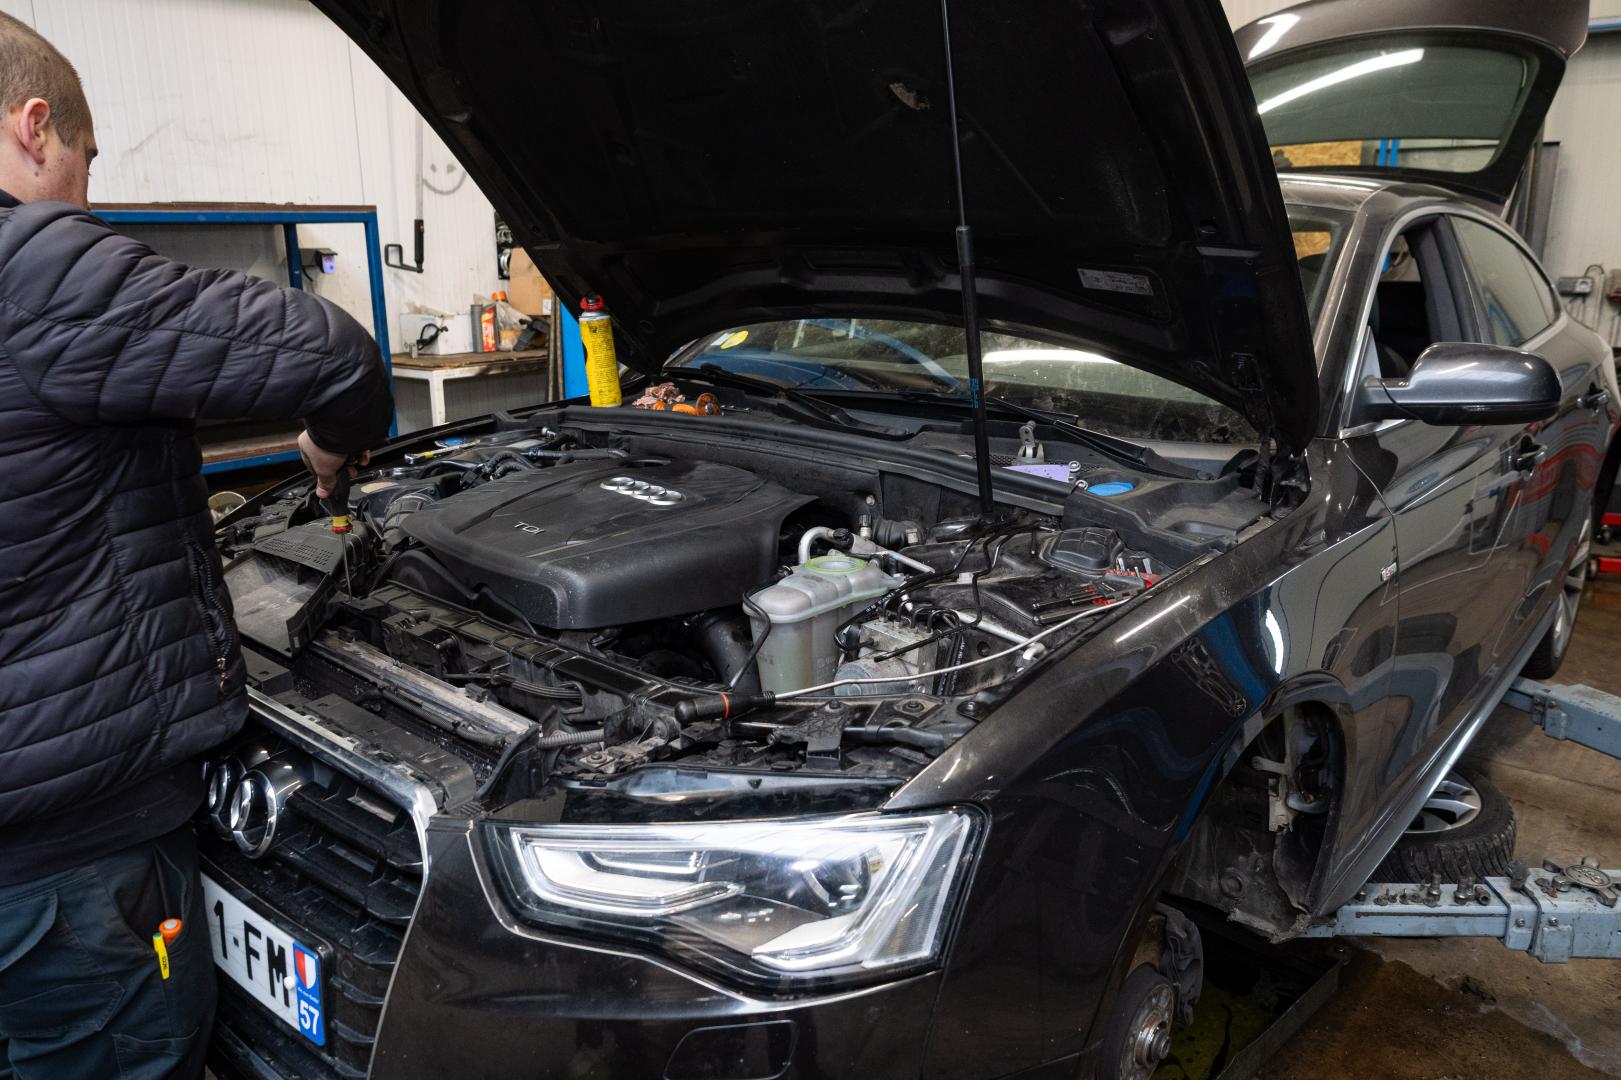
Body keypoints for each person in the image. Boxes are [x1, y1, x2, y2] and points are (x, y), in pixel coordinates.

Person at [0, 13, 392, 1078]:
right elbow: (335, 357)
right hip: (70, 861)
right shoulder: (34, 272)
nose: (85, 195)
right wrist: (327, 448)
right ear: (35, 128)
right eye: (85, 162)